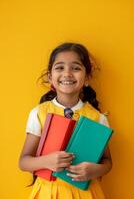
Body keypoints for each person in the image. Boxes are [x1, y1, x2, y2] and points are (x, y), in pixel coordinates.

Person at [19, 42, 112, 199]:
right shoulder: (39, 113)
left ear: (87, 78)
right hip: (48, 193)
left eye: (75, 68)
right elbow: (23, 162)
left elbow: (107, 162)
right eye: (60, 67)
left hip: (86, 193)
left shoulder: (98, 118)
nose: (67, 73)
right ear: (50, 77)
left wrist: (95, 170)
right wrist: (46, 161)